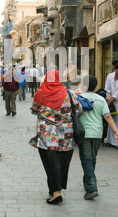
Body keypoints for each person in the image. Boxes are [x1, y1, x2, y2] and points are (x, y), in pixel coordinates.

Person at [29, 69, 82, 204]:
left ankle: (56, 192)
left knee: (51, 165)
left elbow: (34, 110)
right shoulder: (69, 94)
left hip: (46, 138)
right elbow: (79, 110)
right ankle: (55, 189)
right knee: (62, 165)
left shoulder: (40, 94)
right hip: (66, 138)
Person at [78, 75, 118, 200]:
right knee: (92, 158)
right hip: (97, 133)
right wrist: (116, 132)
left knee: (86, 159)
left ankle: (92, 188)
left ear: (84, 86)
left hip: (84, 133)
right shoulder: (101, 99)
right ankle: (88, 182)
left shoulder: (79, 98)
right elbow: (107, 116)